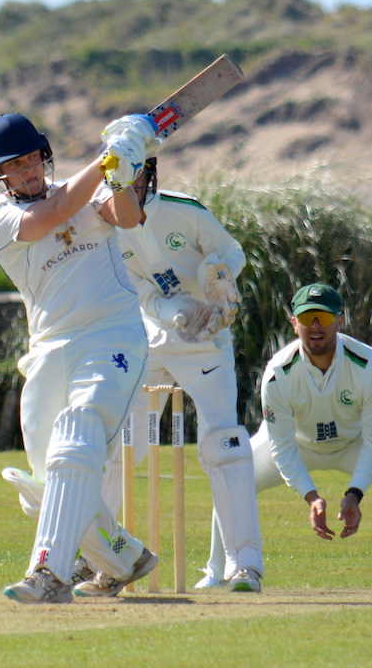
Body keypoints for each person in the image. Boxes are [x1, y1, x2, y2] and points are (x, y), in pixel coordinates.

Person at [0, 112, 162, 603]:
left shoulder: (85, 190)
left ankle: (49, 573)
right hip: (48, 349)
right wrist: (107, 162)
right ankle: (125, 557)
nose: (26, 173)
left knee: (76, 441)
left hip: (112, 337)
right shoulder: (4, 222)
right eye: (13, 167)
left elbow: (127, 217)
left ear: (45, 156)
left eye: (32, 161)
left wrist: (125, 175)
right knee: (44, 485)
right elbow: (54, 214)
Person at [202, 282, 372, 587]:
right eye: (308, 318)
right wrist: (311, 496)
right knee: (234, 480)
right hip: (298, 444)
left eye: (323, 317)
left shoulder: (369, 366)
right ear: (295, 324)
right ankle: (216, 574)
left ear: (339, 320)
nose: (316, 326)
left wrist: (355, 493)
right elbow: (282, 446)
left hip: (355, 442)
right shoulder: (278, 373)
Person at [106, 156, 264, 592]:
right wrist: (173, 311)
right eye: (118, 175)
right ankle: (96, 554)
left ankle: (244, 565)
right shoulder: (107, 224)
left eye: (134, 172)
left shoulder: (184, 210)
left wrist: (216, 280)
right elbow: (138, 290)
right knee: (122, 440)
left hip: (207, 339)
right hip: (154, 342)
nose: (127, 183)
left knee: (224, 443)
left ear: (148, 172)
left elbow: (232, 251)